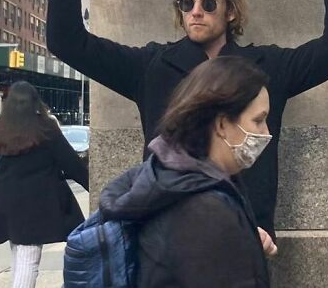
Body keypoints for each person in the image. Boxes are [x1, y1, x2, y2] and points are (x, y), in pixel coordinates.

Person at [47, 0, 328, 239]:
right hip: (167, 236)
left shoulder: (266, 68)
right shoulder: (151, 67)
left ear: (230, 12)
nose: (195, 11)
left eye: (208, 3)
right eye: (187, 3)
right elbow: (68, 42)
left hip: (245, 233)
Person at [100, 56, 274, 287]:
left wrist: (245, 241)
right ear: (222, 125)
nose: (266, 131)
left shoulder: (171, 179)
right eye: (259, 120)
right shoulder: (206, 211)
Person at [0, 81, 89, 288]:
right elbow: (71, 164)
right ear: (36, 102)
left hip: (4, 203)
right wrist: (96, 186)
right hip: (36, 205)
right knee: (28, 258)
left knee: (19, 254)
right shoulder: (46, 128)